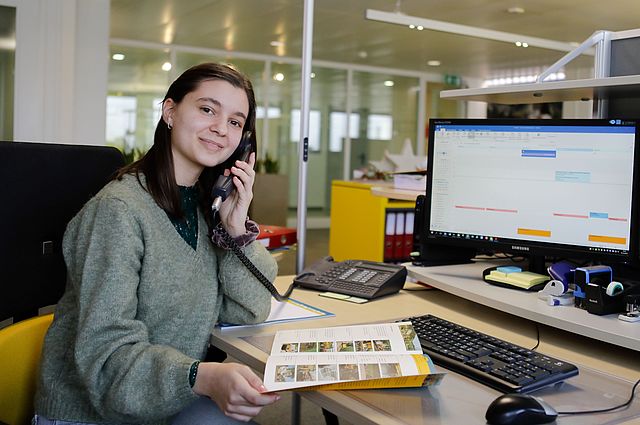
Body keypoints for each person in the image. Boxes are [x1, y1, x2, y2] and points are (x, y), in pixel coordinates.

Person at [33, 63, 280, 424]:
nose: (220, 129)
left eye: (235, 122)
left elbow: (249, 310)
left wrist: (235, 229)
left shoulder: (203, 208)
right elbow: (106, 359)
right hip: (91, 412)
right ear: (170, 112)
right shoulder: (118, 212)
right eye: (207, 109)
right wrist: (202, 376)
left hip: (161, 401)